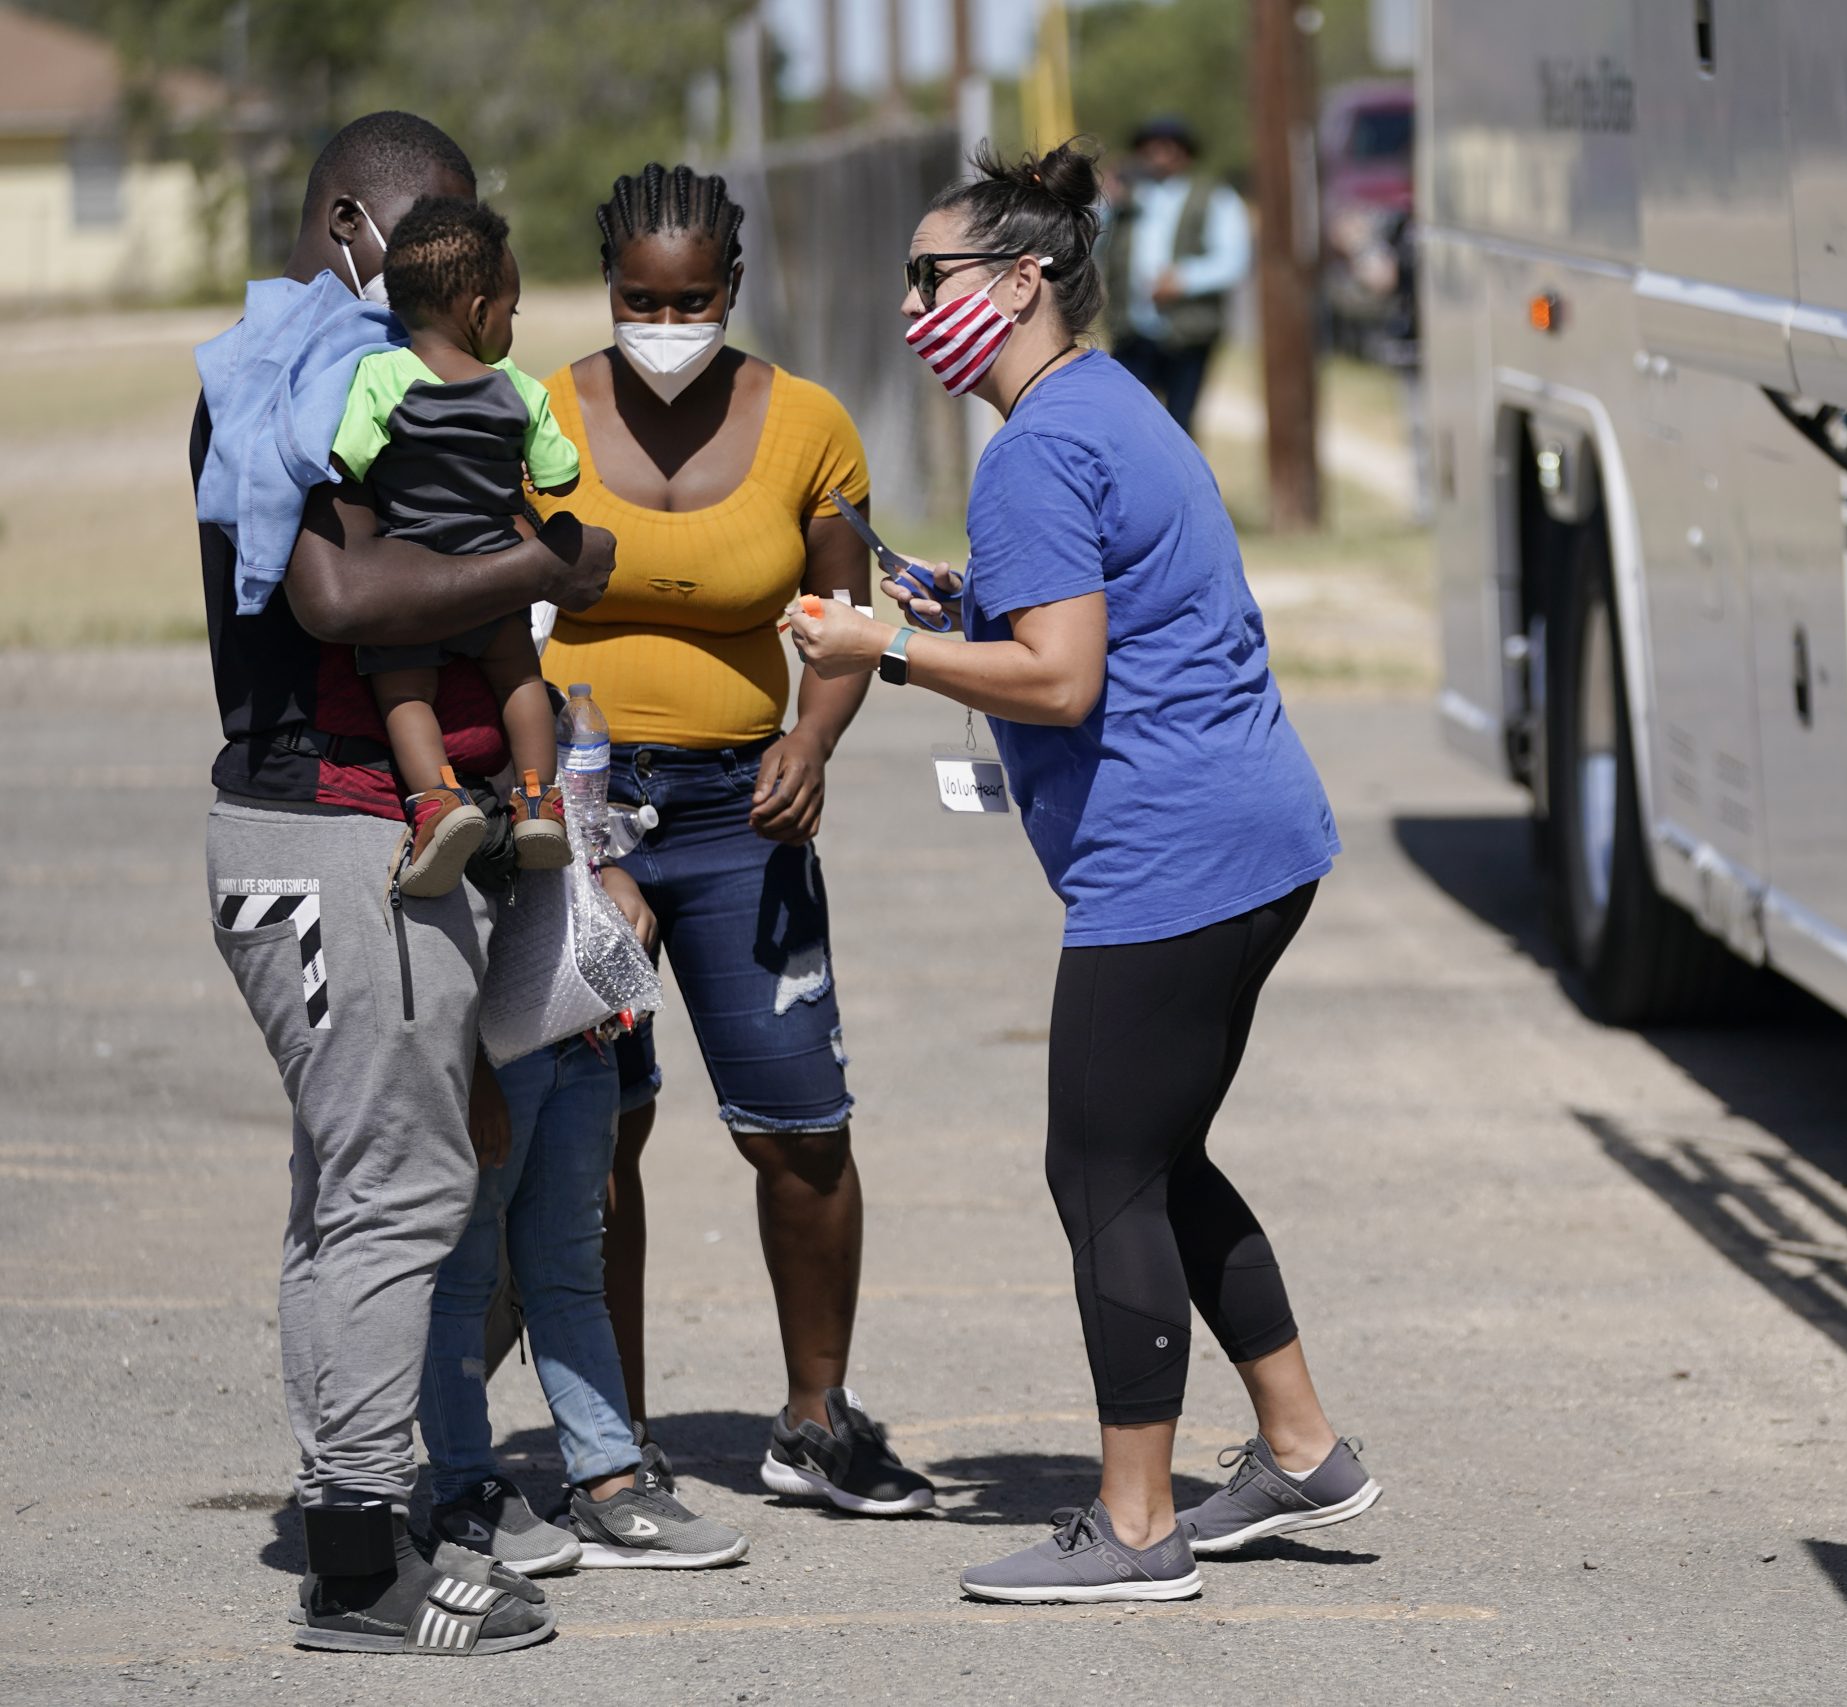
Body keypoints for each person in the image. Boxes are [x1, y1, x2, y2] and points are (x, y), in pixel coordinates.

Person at [789, 139, 1379, 1606]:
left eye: (928, 275)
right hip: (1253, 838)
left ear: (1018, 282)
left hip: (1173, 859)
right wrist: (963, 602)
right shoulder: (1103, 401)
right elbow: (1094, 606)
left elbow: (1061, 679)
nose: (911, 301)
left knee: (1103, 1168)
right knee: (1158, 1154)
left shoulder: (1036, 449)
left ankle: (1134, 1525)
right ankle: (1302, 1447)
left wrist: (885, 645)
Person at [194, 110, 614, 1655]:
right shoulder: (299, 378)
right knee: (402, 1189)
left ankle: (348, 1513)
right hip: (331, 829)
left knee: (350, 1188)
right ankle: (364, 1570)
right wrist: (543, 570)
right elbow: (340, 590)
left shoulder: (375, 375)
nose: (451, 264)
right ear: (352, 228)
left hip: (370, 828)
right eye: (430, 231)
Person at [528, 162, 934, 1518]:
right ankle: (613, 1443)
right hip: (582, 817)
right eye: (641, 301)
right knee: (598, 1136)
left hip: (739, 818)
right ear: (609, 286)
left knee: (803, 1132)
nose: (665, 325)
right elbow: (489, 620)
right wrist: (548, 816)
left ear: (732, 288)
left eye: (691, 300)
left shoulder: (809, 425)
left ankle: (817, 1419)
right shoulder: (539, 415)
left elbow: (842, 624)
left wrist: (810, 740)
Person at [417, 983, 750, 1575]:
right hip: (485, 1043)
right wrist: (468, 1064)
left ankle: (610, 1491)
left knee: (568, 1273)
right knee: (461, 1276)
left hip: (580, 1035)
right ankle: (463, 1494)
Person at [331, 196, 578, 895]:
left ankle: (439, 800)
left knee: (405, 690)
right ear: (479, 312)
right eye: (512, 310)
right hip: (496, 575)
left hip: (414, 582)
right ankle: (538, 800)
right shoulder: (518, 388)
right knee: (520, 680)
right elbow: (561, 476)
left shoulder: (380, 376)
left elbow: (347, 459)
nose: (511, 324)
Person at [1099, 115, 1248, 439]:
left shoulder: (1214, 196)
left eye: (1168, 146)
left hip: (1188, 332)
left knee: (1180, 425)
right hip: (1132, 331)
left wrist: (1184, 280)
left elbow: (1233, 259)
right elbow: (1092, 245)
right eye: (1150, 147)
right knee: (1127, 424)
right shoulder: (1126, 197)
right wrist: (1107, 198)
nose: (1158, 154)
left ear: (1186, 152)